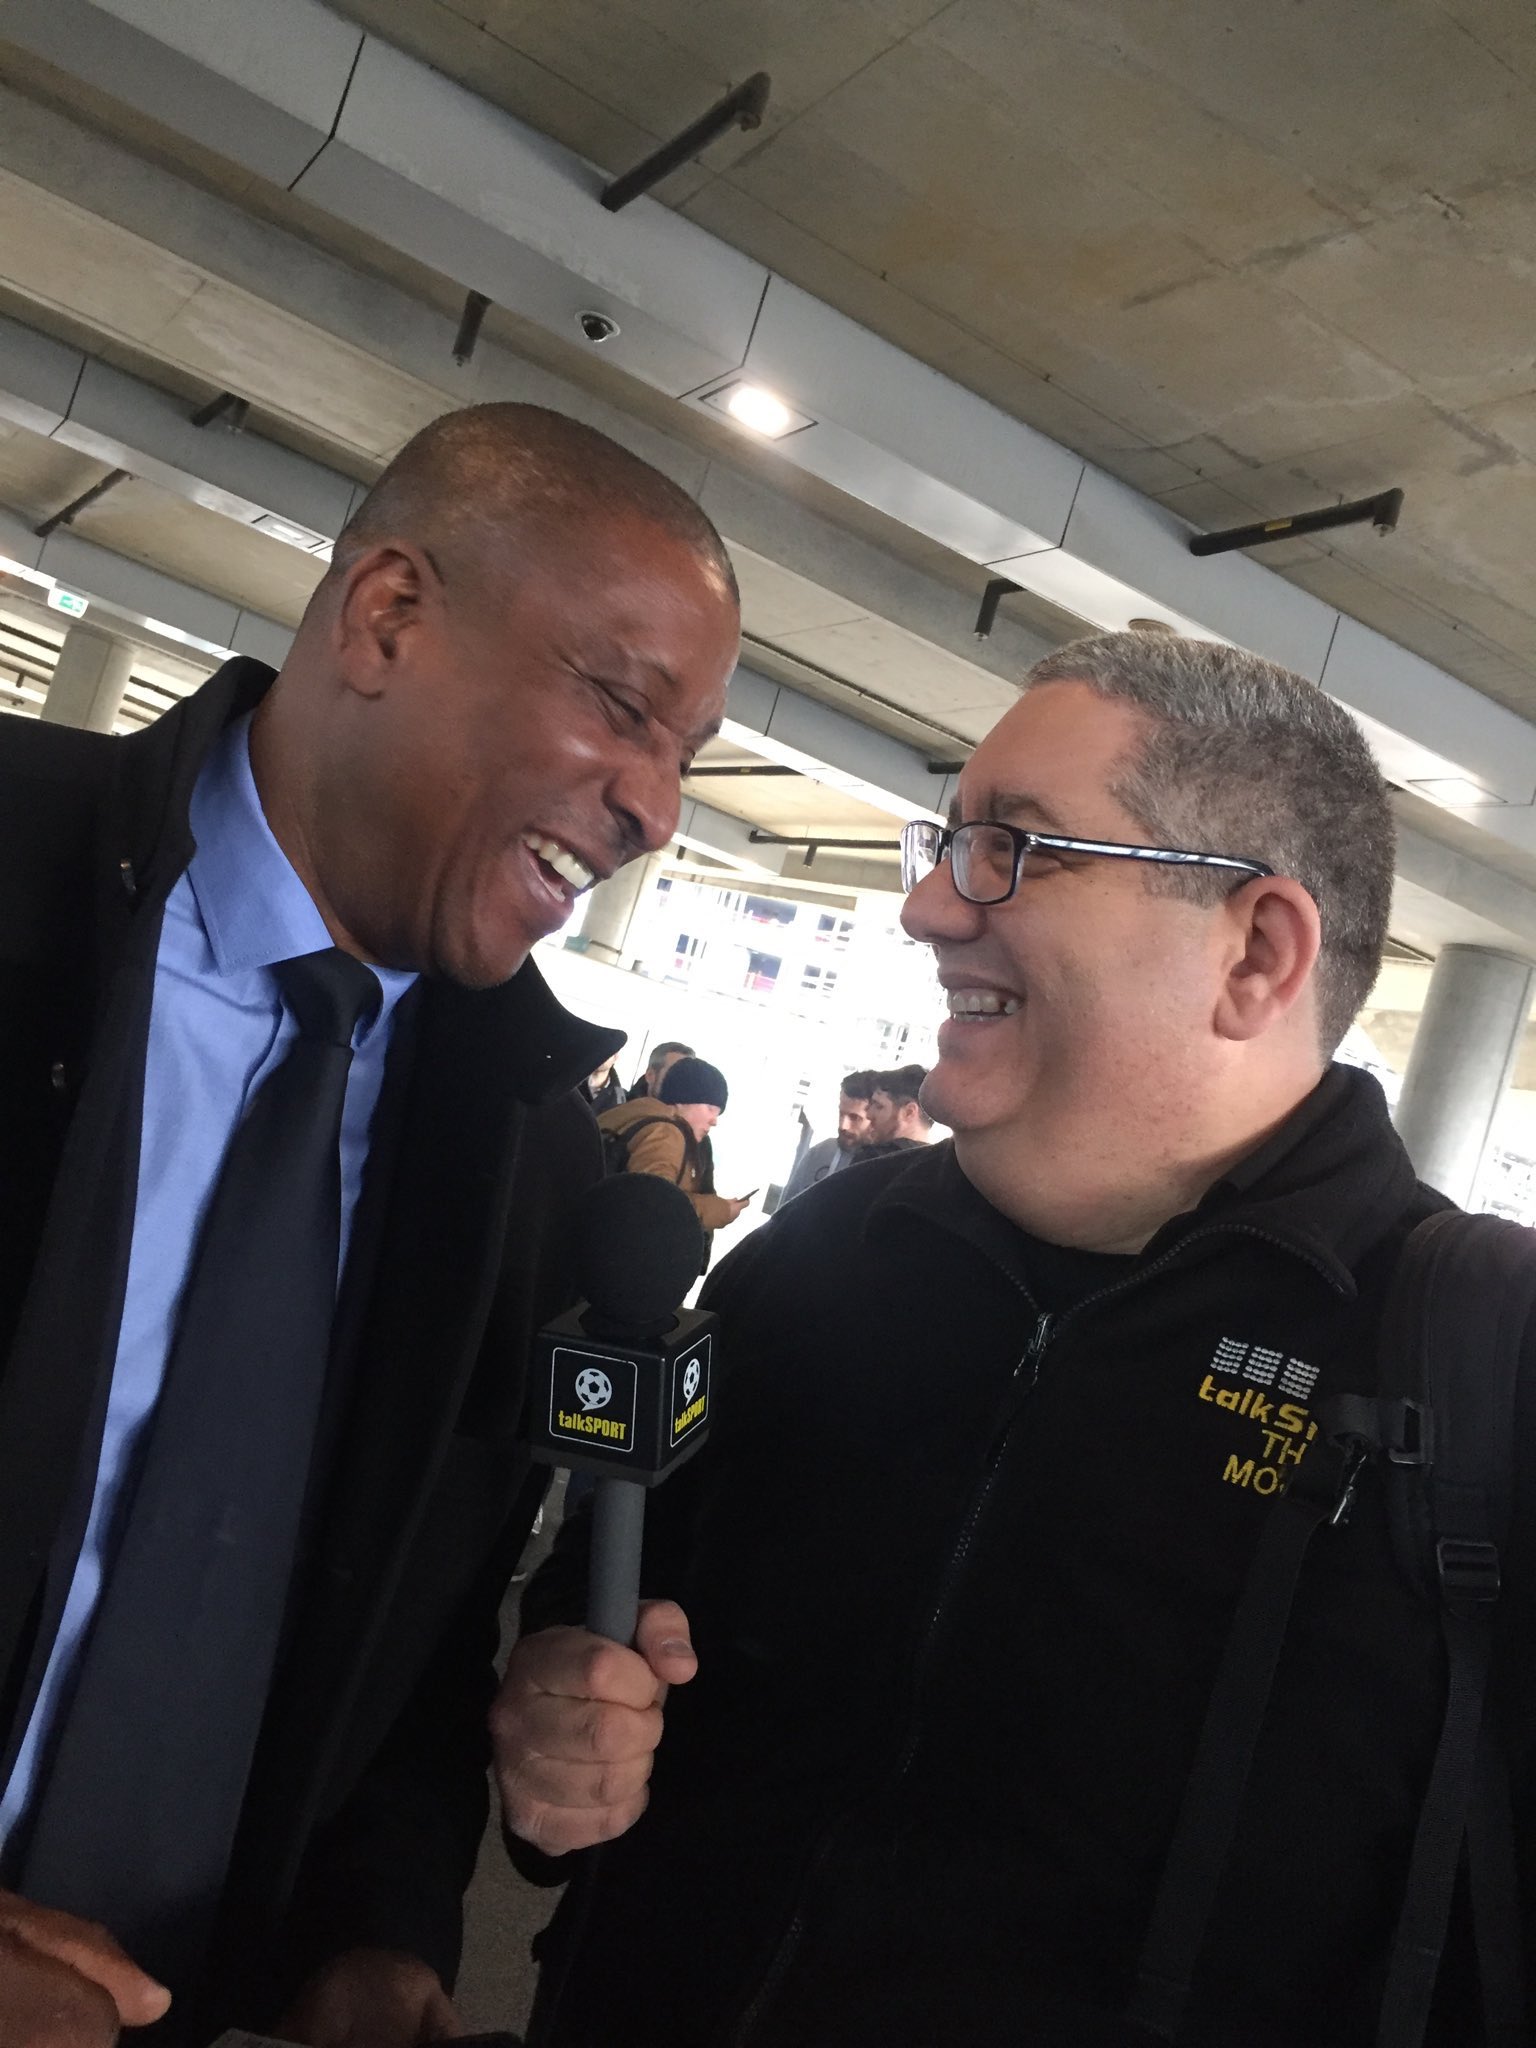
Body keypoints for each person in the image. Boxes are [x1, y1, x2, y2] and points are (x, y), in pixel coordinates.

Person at [489, 630, 1531, 2048]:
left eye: (1015, 851)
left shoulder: (1477, 1368)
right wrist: (565, 1719)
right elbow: (605, 1599)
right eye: (946, 842)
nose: (925, 907)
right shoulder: (820, 1264)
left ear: (1257, 952)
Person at [0, 400, 740, 2048]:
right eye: (625, 707)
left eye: (686, 758)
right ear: (389, 617)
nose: (657, 809)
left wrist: (379, 1944)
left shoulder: (520, 1151)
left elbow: (401, 1640)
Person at [597, 1058, 751, 1240]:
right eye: (710, 1108)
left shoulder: (634, 1113)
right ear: (683, 1099)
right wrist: (720, 1210)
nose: (714, 1120)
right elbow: (655, 1205)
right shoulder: (666, 1133)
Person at [777, 1070, 875, 1202]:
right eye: (841, 1114)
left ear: (874, 1117)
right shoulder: (820, 1152)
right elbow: (784, 1212)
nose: (843, 1125)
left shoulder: (878, 1167)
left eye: (854, 1117)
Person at [860, 1063, 934, 1151]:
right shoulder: (941, 1162)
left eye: (879, 1106)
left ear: (909, 1112)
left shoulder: (873, 1157)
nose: (869, 1115)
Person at [625, 1039, 693, 1100]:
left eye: (686, 1074)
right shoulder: (622, 1111)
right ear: (650, 1075)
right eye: (674, 1072)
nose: (682, 1081)